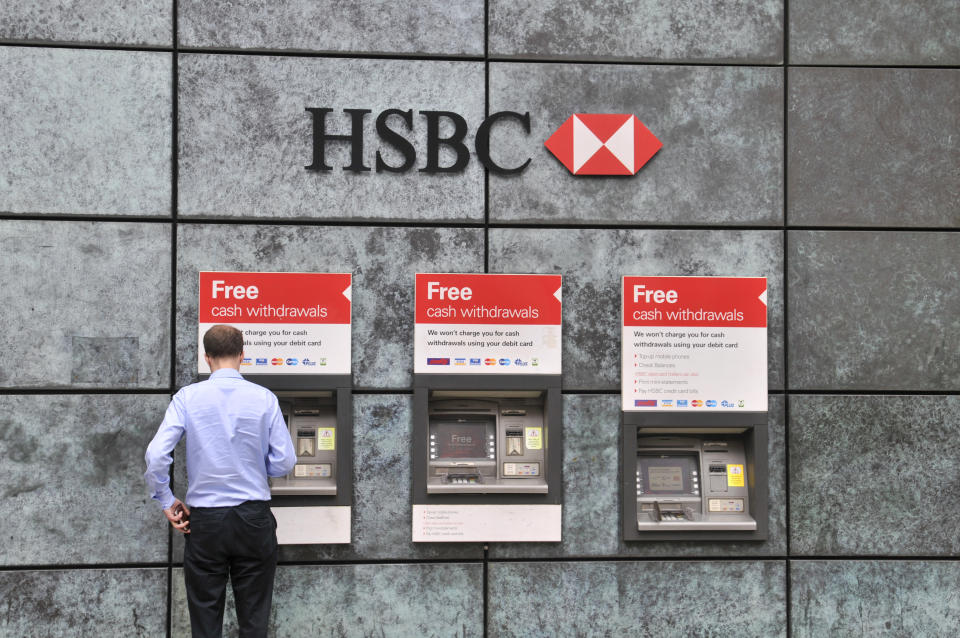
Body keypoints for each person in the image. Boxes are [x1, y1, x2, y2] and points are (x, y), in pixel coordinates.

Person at [144, 324, 296, 638]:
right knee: (254, 622)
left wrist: (166, 499)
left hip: (206, 523)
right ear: (242, 355)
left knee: (204, 621)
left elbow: (157, 454)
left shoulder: (188, 397)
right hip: (253, 519)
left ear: (206, 357)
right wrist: (254, 466)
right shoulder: (264, 398)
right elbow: (284, 462)